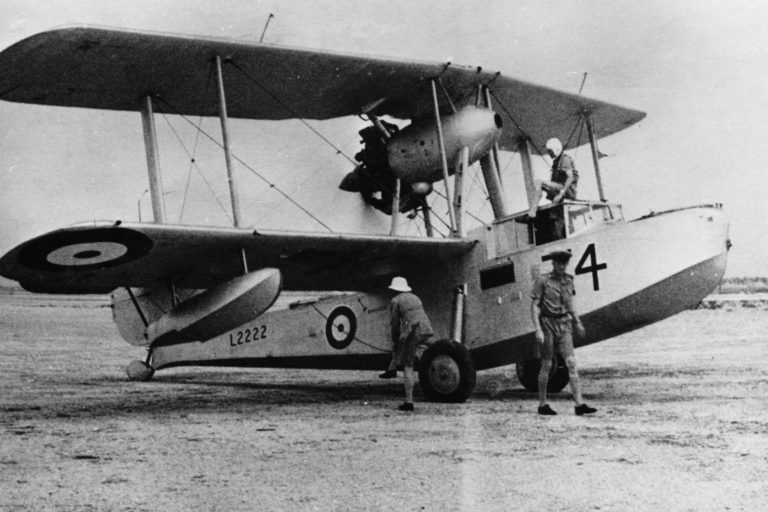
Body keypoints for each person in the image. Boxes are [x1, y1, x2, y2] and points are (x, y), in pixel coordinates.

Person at [530, 250, 596, 416]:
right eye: (558, 263)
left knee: (572, 363)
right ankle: (543, 404)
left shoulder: (569, 281)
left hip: (564, 323)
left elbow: (570, 303)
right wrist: (538, 329)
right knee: (547, 364)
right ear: (553, 263)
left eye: (564, 263)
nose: (561, 266)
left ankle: (579, 404)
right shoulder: (543, 281)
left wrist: (577, 321)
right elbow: (534, 306)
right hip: (547, 324)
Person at [379, 276, 434, 411]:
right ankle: (391, 369)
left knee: (408, 366)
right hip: (426, 329)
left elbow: (394, 323)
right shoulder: (415, 297)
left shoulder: (395, 300)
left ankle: (409, 401)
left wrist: (395, 338)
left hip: (413, 331)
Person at [527, 137, 579, 219]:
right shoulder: (557, 161)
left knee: (539, 182)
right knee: (553, 216)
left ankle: (533, 209)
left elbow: (570, 177)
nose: (549, 153)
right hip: (562, 189)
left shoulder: (565, 159)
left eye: (550, 151)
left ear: (556, 149)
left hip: (567, 190)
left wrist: (561, 193)